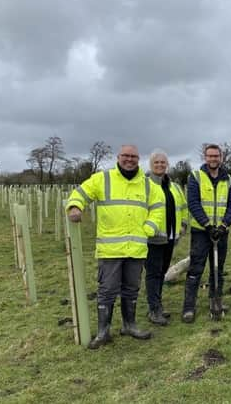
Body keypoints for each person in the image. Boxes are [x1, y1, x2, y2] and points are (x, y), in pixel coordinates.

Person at [66, 145, 165, 349]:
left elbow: (158, 207)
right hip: (110, 250)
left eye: (134, 157)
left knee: (131, 289)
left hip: (136, 249)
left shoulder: (147, 185)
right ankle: (104, 331)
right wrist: (75, 206)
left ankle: (129, 325)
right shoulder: (103, 179)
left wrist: (148, 228)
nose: (129, 160)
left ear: (139, 159)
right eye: (126, 156)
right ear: (118, 157)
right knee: (107, 290)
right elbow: (80, 193)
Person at [182, 143, 231, 323]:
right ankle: (189, 307)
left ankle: (216, 302)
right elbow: (193, 203)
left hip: (221, 232)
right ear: (205, 158)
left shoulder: (228, 179)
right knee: (196, 269)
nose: (213, 159)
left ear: (221, 158)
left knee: (218, 269)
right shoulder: (196, 177)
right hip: (201, 232)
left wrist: (223, 226)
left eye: (216, 156)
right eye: (210, 156)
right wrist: (207, 225)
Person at [144, 149, 188, 326]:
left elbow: (183, 207)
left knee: (161, 273)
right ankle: (154, 310)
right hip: (153, 239)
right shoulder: (145, 186)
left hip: (170, 239)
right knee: (153, 274)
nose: (160, 165)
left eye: (163, 162)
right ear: (151, 165)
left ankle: (158, 305)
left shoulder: (175, 187)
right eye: (157, 162)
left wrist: (184, 224)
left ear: (167, 165)